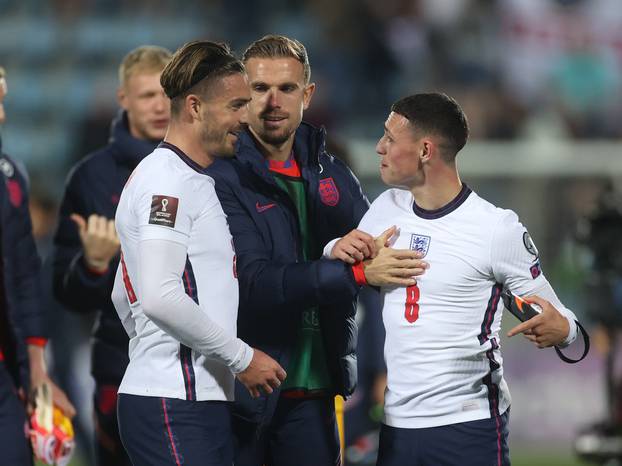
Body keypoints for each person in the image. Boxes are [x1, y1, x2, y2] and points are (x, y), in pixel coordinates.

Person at [326, 92, 582, 466]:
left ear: (426, 150)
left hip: (468, 425)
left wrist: (564, 330)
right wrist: (337, 250)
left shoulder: (496, 229)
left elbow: (566, 322)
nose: (380, 147)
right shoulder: (384, 210)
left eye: (390, 138)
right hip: (396, 427)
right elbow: (336, 268)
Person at [206, 34, 424, 466]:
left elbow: (382, 252)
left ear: (307, 94)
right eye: (259, 88)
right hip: (239, 389)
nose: (273, 101)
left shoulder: (332, 173)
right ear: (239, 94)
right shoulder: (219, 176)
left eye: (286, 88)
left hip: (316, 388)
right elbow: (253, 281)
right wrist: (350, 268)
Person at [111, 40, 286, 466]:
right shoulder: (167, 182)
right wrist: (241, 357)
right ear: (194, 107)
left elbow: (123, 292)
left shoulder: (188, 177)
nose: (246, 118)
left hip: (187, 398)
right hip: (175, 400)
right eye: (236, 105)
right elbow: (156, 295)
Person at [51, 45, 171, 465]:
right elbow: (65, 293)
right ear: (123, 100)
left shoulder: (213, 168)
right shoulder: (91, 178)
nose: (159, 106)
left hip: (203, 367)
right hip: (121, 363)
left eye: (167, 94)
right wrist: (93, 265)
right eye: (146, 96)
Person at [0, 66, 74, 464]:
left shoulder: (10, 176)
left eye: (3, 100)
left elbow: (25, 277)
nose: (2, 115)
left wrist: (37, 371)